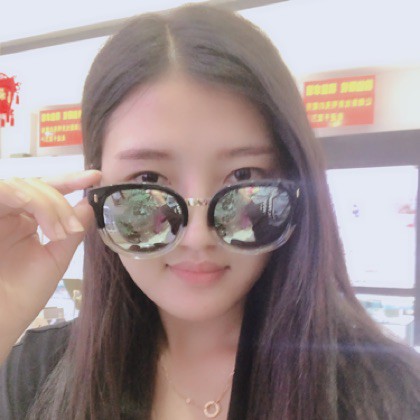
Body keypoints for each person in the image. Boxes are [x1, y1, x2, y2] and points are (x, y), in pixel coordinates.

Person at [0, 4, 419, 420]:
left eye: (243, 176)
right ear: (96, 188)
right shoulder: (35, 373)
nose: (198, 236)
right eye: (148, 180)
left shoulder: (387, 393)